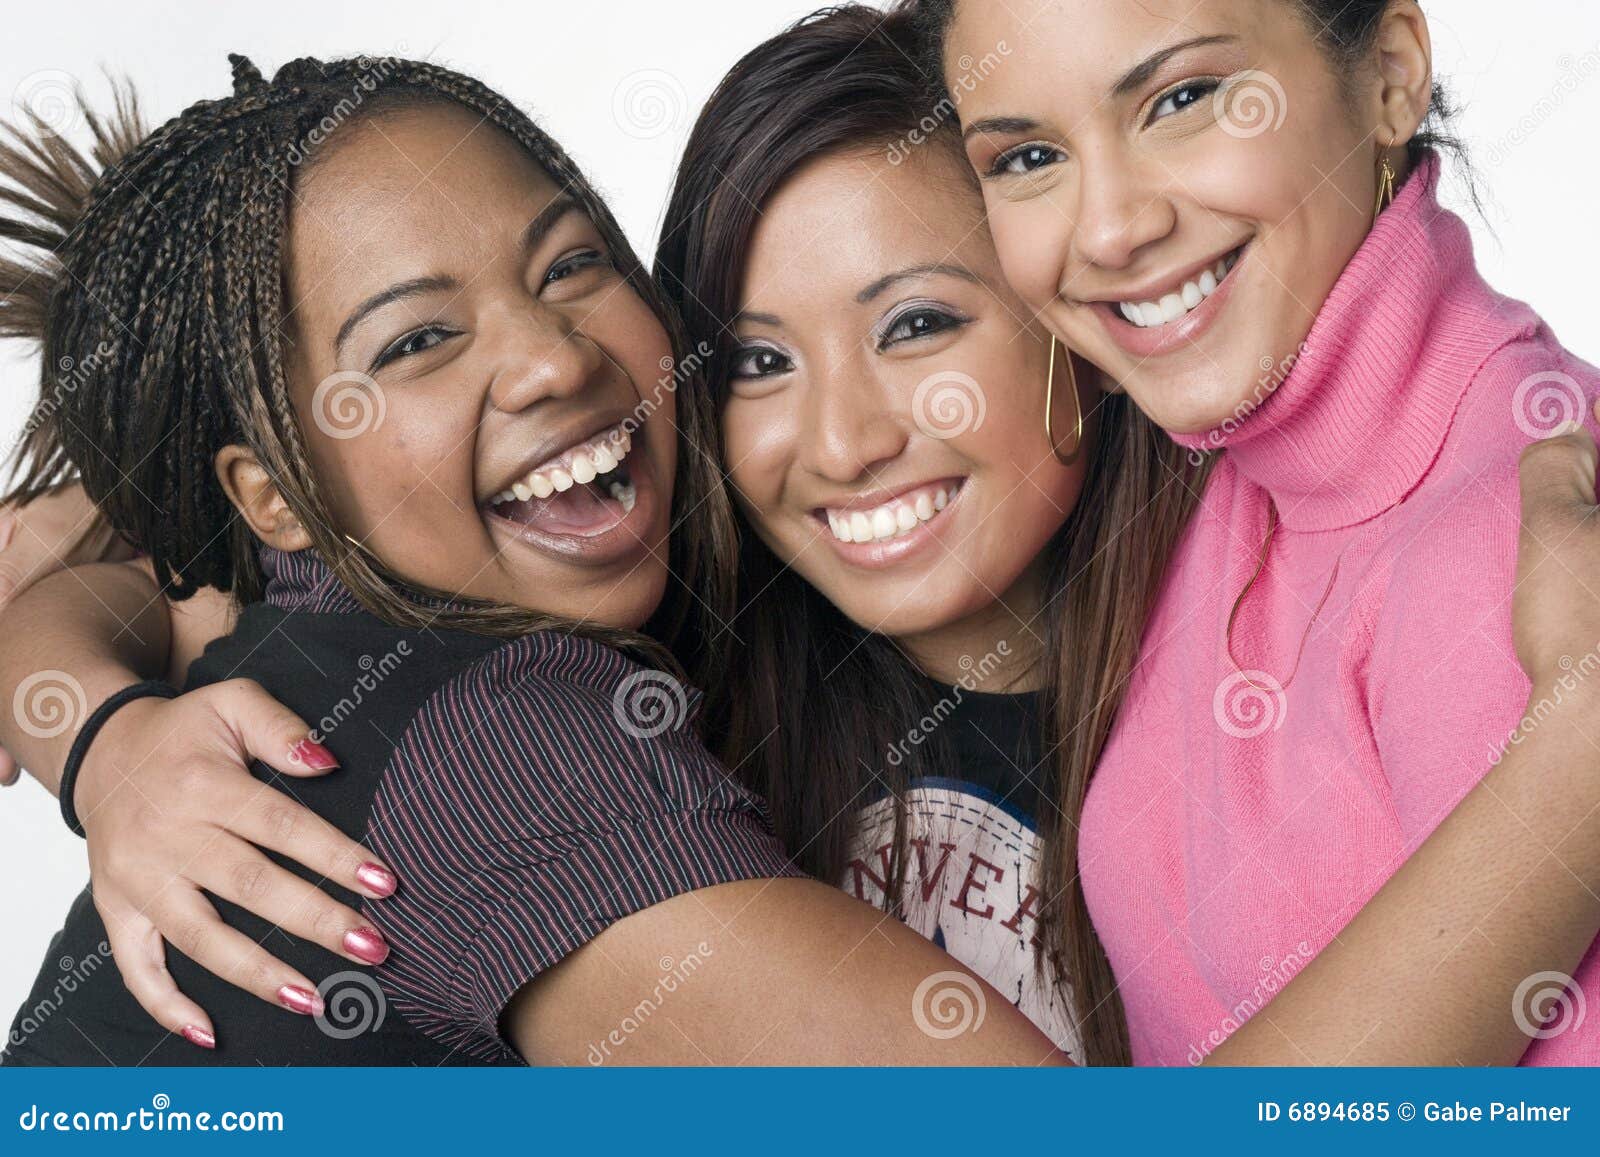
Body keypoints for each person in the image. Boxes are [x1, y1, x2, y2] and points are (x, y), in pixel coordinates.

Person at [917, 0, 1600, 1062]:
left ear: (1386, 74)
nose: (1108, 229)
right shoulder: (1215, 476)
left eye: (1181, 99)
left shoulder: (1524, 545)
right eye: (1028, 156)